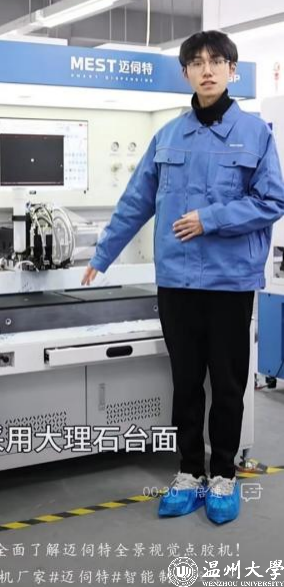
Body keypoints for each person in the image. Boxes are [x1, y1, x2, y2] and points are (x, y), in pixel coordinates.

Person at [81, 30, 284, 524]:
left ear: (232, 70)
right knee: (186, 382)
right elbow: (136, 200)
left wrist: (209, 219)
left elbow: (272, 201)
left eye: (216, 61)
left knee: (228, 384)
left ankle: (224, 475)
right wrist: (103, 255)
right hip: (176, 282)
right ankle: (190, 472)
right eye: (197, 62)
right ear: (186, 73)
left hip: (229, 283)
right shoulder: (168, 136)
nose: (207, 70)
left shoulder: (255, 134)